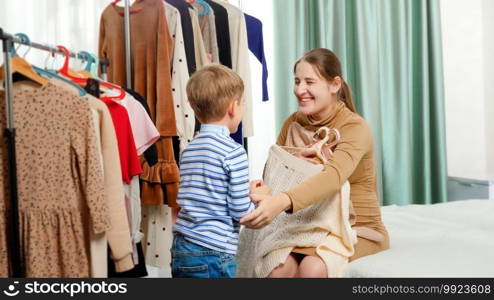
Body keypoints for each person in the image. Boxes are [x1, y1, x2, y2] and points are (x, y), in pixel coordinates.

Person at [240, 48, 390, 277]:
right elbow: (274, 176)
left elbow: (331, 177)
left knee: (312, 268)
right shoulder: (293, 123)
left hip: (355, 229)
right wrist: (261, 191)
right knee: (278, 268)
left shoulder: (354, 128)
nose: (300, 90)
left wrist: (281, 201)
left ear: (334, 85)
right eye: (297, 81)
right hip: (303, 226)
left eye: (310, 82)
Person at [171, 64, 256, 278]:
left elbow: (203, 193)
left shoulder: (189, 149)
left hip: (182, 248)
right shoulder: (233, 152)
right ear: (233, 107)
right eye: (243, 103)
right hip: (214, 251)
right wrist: (255, 198)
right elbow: (241, 212)